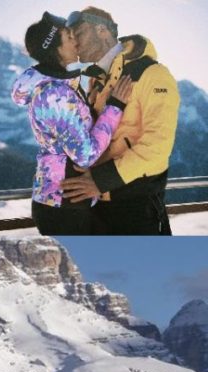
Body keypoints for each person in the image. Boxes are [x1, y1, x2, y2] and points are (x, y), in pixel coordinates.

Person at [60, 7, 180, 235]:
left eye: (79, 33)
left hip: (137, 209)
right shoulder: (95, 81)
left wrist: (101, 180)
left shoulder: (153, 75)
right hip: (97, 204)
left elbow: (157, 147)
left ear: (102, 30)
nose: (74, 43)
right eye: (71, 37)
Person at [12, 12, 132, 235]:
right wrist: (115, 107)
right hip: (63, 208)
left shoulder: (60, 86)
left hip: (67, 201)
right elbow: (85, 155)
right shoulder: (55, 95)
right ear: (55, 49)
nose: (76, 40)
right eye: (69, 37)